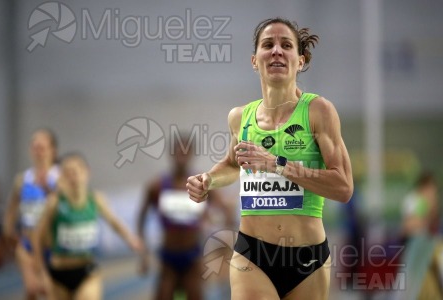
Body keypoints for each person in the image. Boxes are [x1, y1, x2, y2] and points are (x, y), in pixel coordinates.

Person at [187, 18, 353, 300]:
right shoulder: (240, 117)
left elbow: (343, 187)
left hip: (307, 259)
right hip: (252, 255)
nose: (276, 50)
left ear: (300, 61)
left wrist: (277, 164)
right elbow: (232, 164)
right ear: (255, 60)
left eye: (286, 45)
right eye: (268, 45)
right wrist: (208, 180)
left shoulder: (318, 111)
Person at [33, 152, 142, 300]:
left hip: (86, 271)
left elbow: (114, 222)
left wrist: (130, 239)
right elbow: (37, 236)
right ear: (62, 176)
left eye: (77, 171)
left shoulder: (95, 199)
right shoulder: (55, 203)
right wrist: (41, 273)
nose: (74, 177)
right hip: (58, 273)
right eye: (68, 173)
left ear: (87, 172)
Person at [137, 136, 234, 300]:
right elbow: (141, 218)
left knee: (195, 294)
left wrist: (224, 244)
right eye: (178, 151)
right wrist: (143, 253)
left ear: (191, 154)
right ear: (172, 154)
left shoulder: (202, 184)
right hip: (168, 257)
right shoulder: (157, 186)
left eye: (186, 152)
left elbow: (225, 213)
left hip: (193, 257)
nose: (182, 156)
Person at [3, 128, 60, 299]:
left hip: (53, 246)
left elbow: (68, 207)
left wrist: (49, 190)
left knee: (51, 291)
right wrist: (9, 233)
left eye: (42, 148)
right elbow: (12, 209)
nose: (38, 152)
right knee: (32, 290)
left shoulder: (61, 177)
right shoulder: (22, 179)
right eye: (35, 147)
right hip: (27, 244)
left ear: (53, 151)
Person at [400, 171, 440, 244]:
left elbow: (434, 225)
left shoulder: (428, 201)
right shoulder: (414, 199)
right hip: (412, 241)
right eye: (431, 187)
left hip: (426, 240)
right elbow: (408, 226)